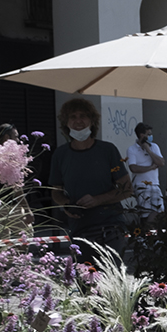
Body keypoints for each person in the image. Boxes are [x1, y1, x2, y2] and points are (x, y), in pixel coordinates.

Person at [48, 98, 132, 254]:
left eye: (83, 116)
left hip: (111, 226)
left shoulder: (108, 150)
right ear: (66, 122)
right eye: (73, 117)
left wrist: (98, 200)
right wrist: (67, 204)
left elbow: (126, 189)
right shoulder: (60, 155)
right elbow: (55, 192)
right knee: (86, 277)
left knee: (112, 276)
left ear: (92, 121)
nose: (78, 120)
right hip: (80, 228)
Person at [126, 122, 165, 223]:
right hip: (141, 185)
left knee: (159, 209)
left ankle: (149, 228)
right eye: (149, 134)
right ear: (142, 135)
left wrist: (148, 150)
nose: (151, 136)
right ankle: (146, 229)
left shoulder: (154, 147)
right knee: (145, 212)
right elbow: (133, 168)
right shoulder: (132, 149)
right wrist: (150, 167)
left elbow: (161, 162)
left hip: (154, 184)